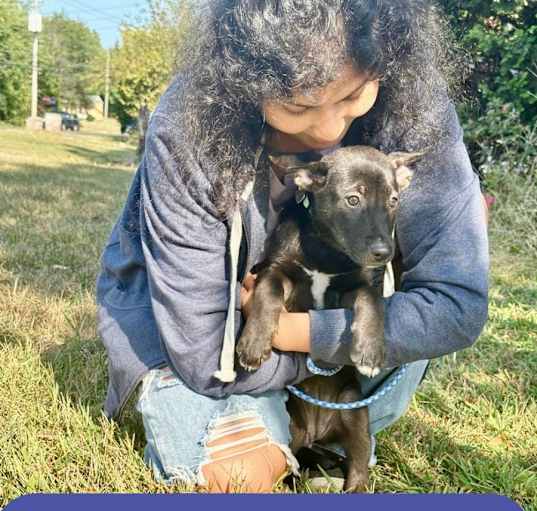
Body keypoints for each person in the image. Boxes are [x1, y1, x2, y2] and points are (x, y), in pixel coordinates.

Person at [96, 0, 489, 493]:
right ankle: (294, 439)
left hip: (342, 358)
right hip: (220, 361)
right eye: (298, 105)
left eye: (353, 95)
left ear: (383, 65)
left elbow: (456, 304)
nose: (328, 131)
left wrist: (294, 333)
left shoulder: (414, 100)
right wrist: (307, 342)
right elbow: (201, 354)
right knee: (236, 478)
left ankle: (314, 439)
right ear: (243, 79)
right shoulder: (190, 121)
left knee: (350, 406)